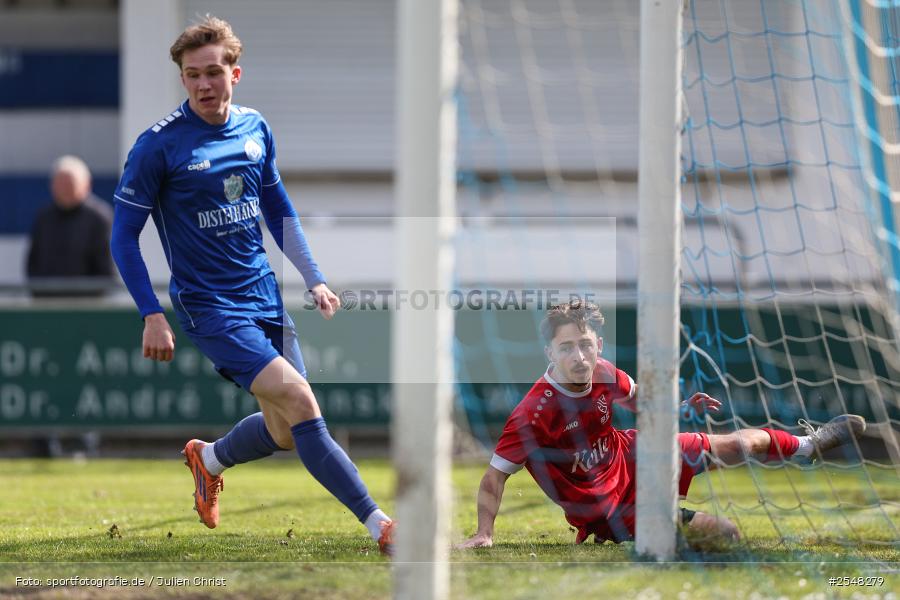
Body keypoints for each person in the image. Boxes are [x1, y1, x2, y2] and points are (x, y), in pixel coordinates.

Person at [109, 16, 394, 554]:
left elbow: (278, 208)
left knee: (286, 430)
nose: (202, 85)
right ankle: (381, 526)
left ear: (234, 73)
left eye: (213, 72)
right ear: (183, 79)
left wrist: (314, 278)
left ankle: (209, 458)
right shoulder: (157, 147)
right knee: (301, 400)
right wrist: (151, 312)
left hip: (263, 295)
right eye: (192, 75)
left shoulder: (255, 128)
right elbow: (123, 236)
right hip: (208, 305)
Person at [458, 300, 866, 548]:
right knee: (723, 534)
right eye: (567, 347)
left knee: (733, 445)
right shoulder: (533, 412)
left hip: (633, 453)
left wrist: (684, 407)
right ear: (550, 351)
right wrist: (484, 532)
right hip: (608, 507)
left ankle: (808, 446)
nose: (579, 356)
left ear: (598, 344)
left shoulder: (604, 371)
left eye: (585, 344)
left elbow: (643, 404)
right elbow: (494, 477)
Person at [26, 155, 114, 296]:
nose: (64, 189)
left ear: (86, 185)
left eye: (70, 184)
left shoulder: (100, 218)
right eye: (60, 184)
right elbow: (32, 264)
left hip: (87, 308)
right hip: (47, 306)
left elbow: (106, 271)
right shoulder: (44, 218)